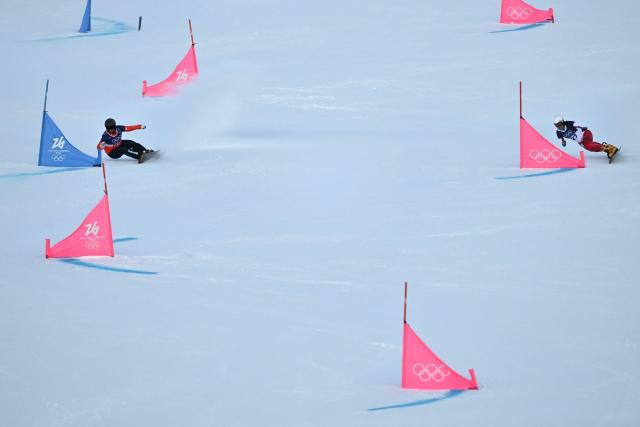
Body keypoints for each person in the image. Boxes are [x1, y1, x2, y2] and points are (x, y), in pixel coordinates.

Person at [553, 116, 618, 161]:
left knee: (588, 145)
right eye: (556, 125)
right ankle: (608, 148)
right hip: (581, 141)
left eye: (559, 124)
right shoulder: (558, 132)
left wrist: (582, 127)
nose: (558, 126)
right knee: (591, 147)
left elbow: (576, 124)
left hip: (585, 133)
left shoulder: (568, 124)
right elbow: (561, 137)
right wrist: (563, 141)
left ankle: (609, 149)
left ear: (563, 122)